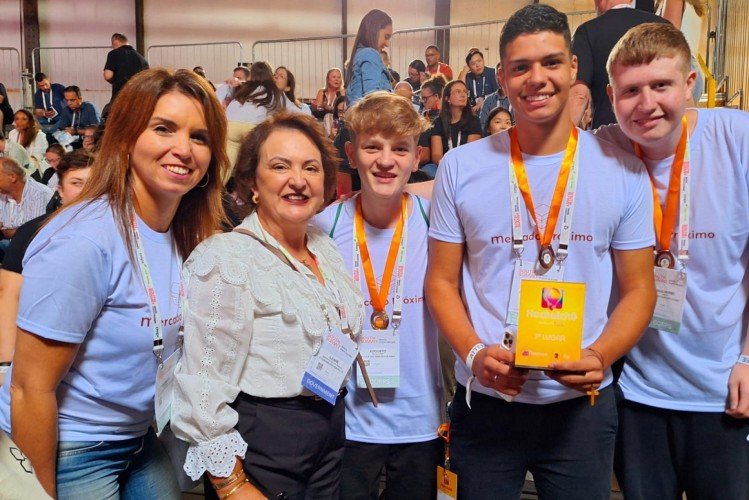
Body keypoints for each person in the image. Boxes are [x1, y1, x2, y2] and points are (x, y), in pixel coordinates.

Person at [425, 5, 656, 499]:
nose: (537, 79)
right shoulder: (461, 168)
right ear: (502, 78)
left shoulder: (622, 170)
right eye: (520, 67)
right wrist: (472, 351)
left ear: (574, 67)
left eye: (551, 62)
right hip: (486, 401)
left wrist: (601, 354)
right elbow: (440, 282)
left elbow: (640, 289)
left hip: (581, 408)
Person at [0, 68, 227, 499]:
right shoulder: (84, 239)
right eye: (163, 129)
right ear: (125, 138)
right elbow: (30, 388)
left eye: (199, 137)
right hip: (70, 444)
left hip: (139, 436)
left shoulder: (187, 231)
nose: (184, 149)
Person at [598, 23, 749, 499]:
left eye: (661, 85)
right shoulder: (602, 149)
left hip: (725, 389)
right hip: (638, 395)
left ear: (690, 84)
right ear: (612, 96)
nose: (646, 104)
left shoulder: (741, 139)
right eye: (631, 91)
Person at [171, 112, 364, 498]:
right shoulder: (227, 259)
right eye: (280, 166)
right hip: (266, 442)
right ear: (252, 183)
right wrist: (233, 485)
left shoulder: (324, 248)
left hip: (328, 428)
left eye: (311, 168)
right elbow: (202, 388)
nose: (298, 180)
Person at [313, 91, 443, 499]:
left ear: (416, 157)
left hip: (421, 419)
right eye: (373, 147)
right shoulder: (323, 228)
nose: (386, 161)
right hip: (350, 422)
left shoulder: (434, 223)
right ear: (351, 154)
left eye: (399, 149)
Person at [0, 150, 93, 388]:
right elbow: (8, 294)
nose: (86, 191)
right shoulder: (32, 232)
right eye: (76, 183)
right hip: (37, 351)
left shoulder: (117, 234)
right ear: (60, 190)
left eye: (93, 183)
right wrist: (7, 363)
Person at [571, 0, 667, 128]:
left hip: (608, 136)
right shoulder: (663, 26)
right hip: (658, 130)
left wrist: (561, 143)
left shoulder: (588, 31)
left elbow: (579, 95)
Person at [225, 61, 286, 171]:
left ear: (251, 74)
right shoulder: (273, 91)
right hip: (253, 127)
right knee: (252, 165)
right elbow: (278, 114)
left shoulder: (244, 87)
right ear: (270, 74)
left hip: (231, 123)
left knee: (226, 165)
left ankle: (217, 186)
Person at [0, 156, 54, 250]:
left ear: (12, 177)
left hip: (35, 247)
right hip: (10, 244)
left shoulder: (39, 194)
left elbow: (34, 231)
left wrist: (12, 232)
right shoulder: (3, 193)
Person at [345, 9, 394, 104]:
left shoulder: (359, 54)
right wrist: (398, 96)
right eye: (386, 37)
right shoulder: (370, 54)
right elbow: (374, 99)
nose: (387, 44)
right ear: (374, 30)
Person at [430, 79, 481, 165]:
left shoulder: (473, 120)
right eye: (458, 92)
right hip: (444, 165)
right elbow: (436, 155)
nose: (463, 95)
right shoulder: (438, 122)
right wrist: (447, 167)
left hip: (466, 165)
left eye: (465, 92)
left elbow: (470, 153)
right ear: (447, 98)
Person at [104, 33, 150, 100]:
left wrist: (116, 81)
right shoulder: (142, 58)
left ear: (115, 41)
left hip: (120, 97)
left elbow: (108, 76)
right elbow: (148, 80)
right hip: (139, 98)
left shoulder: (113, 53)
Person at [478, 62, 514, 130]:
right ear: (496, 77)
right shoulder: (489, 100)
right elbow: (483, 126)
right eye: (499, 73)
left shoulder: (521, 99)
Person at [463, 49, 498, 115]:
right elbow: (461, 90)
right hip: (474, 113)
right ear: (469, 66)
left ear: (483, 60)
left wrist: (484, 98)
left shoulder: (493, 73)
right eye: (473, 64)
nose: (477, 65)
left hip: (492, 111)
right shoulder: (468, 76)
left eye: (479, 61)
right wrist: (464, 72)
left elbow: (499, 94)